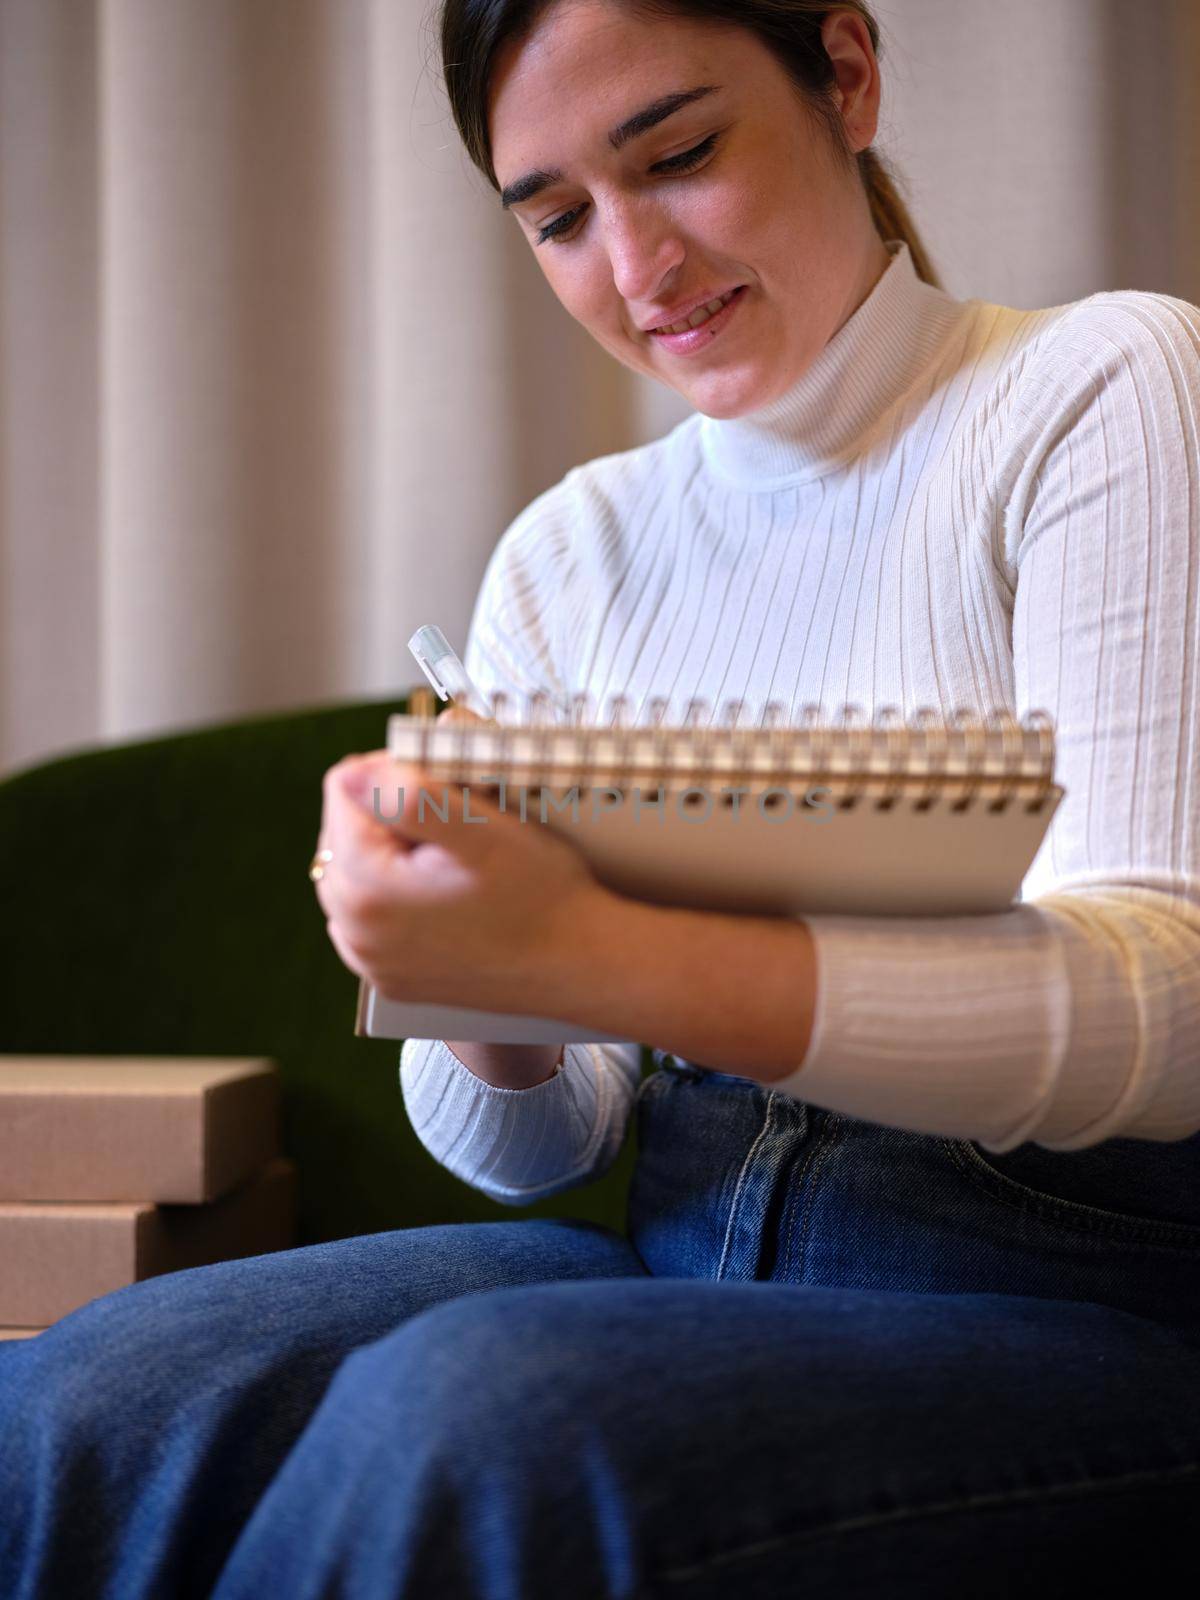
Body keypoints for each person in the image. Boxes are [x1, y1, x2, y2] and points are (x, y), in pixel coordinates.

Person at [3, 2, 1199, 1595]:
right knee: (98, 1391)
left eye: (683, 155)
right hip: (678, 1255)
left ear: (845, 74)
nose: (635, 270)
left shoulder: (1100, 387)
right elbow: (534, 1143)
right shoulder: (574, 552)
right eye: (558, 218)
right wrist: (470, 975)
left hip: (1067, 1297)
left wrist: (593, 950)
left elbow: (1166, 1009)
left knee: (487, 1413)